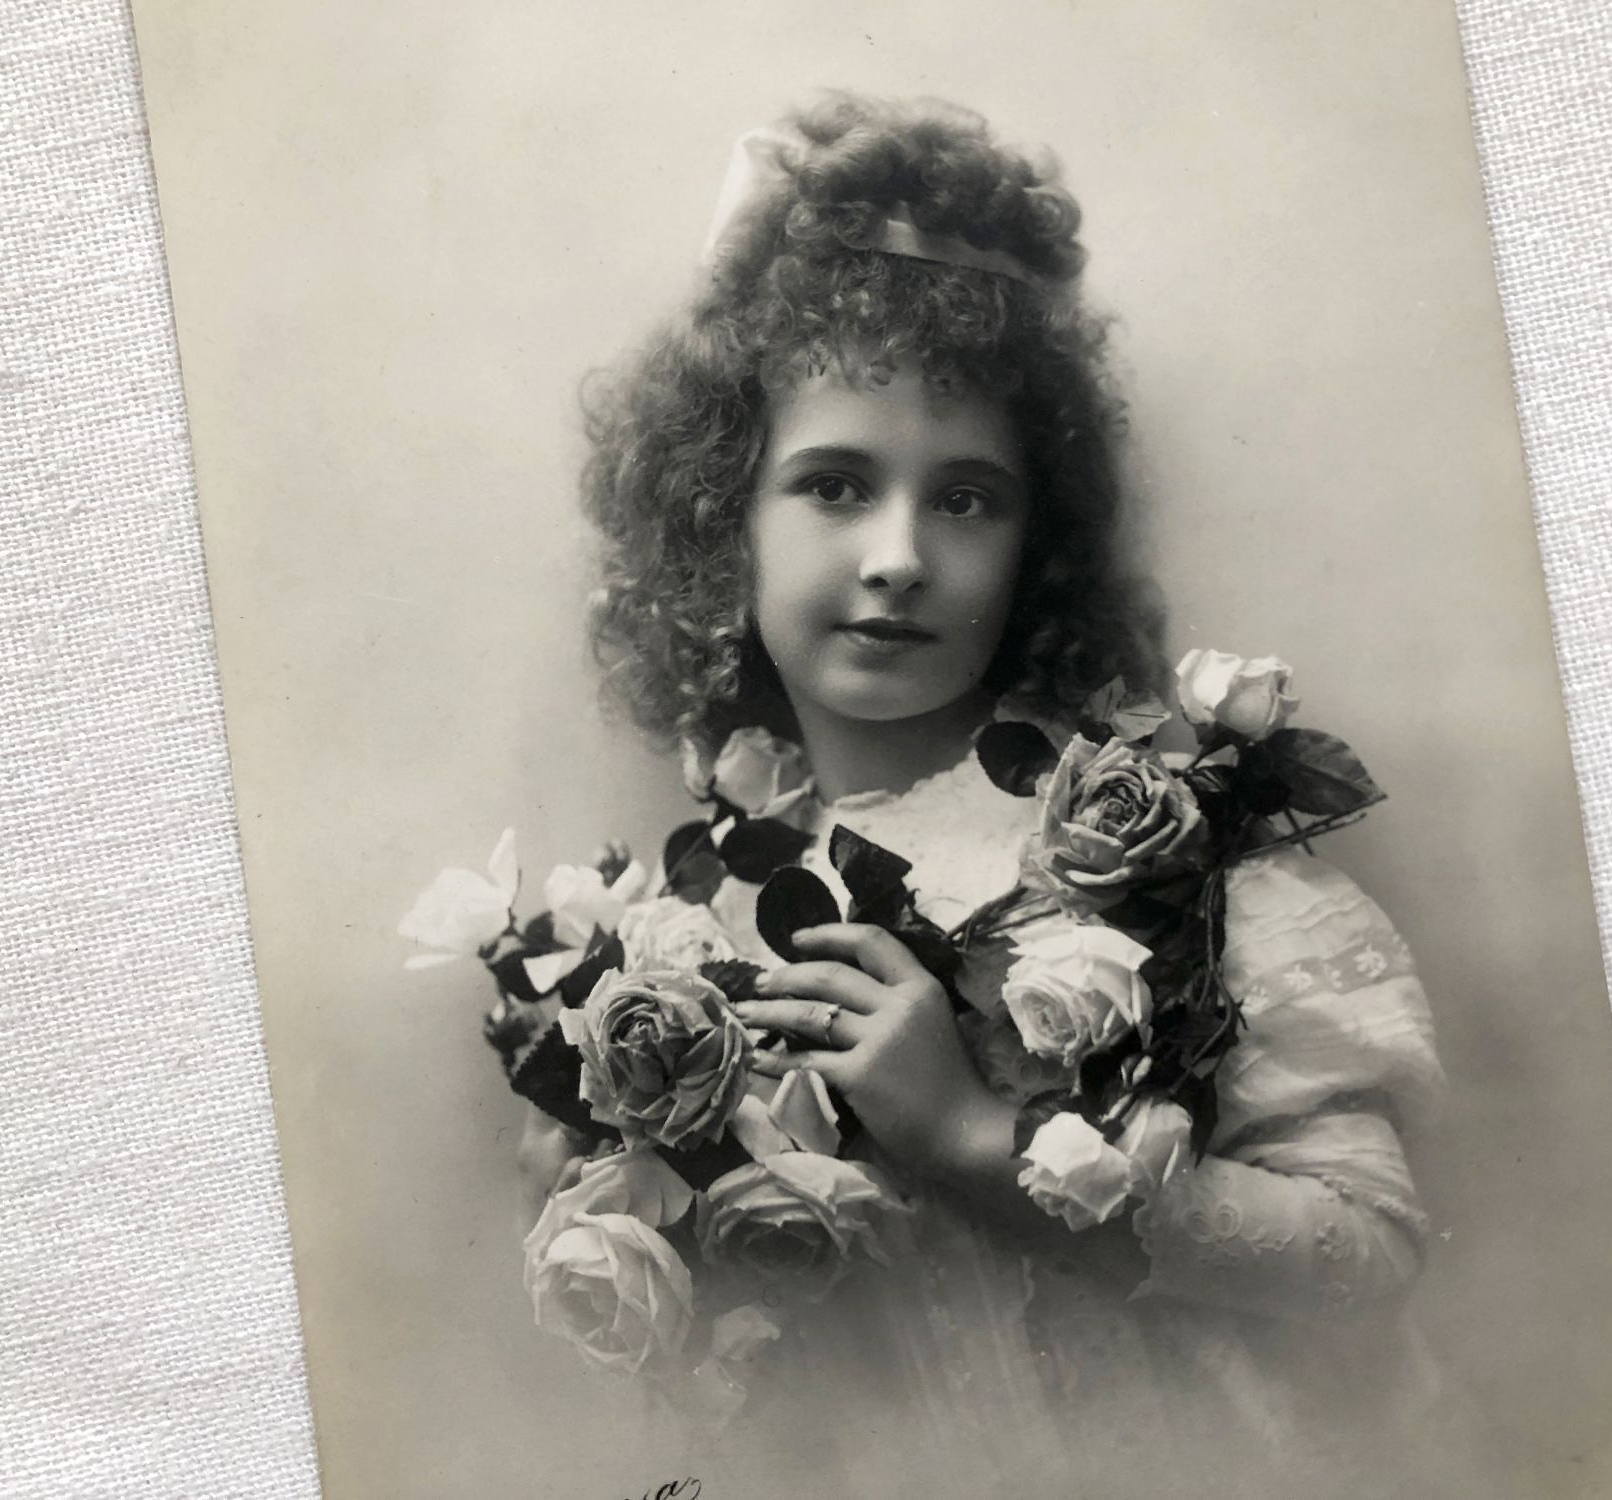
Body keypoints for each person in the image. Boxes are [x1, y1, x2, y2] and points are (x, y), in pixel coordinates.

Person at [520, 93, 1455, 1497]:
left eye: (964, 500)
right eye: (835, 486)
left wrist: (973, 1138)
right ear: (724, 519)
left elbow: (1367, 1248)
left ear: (1040, 541)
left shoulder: (1153, 837)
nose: (897, 555)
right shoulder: (666, 937)